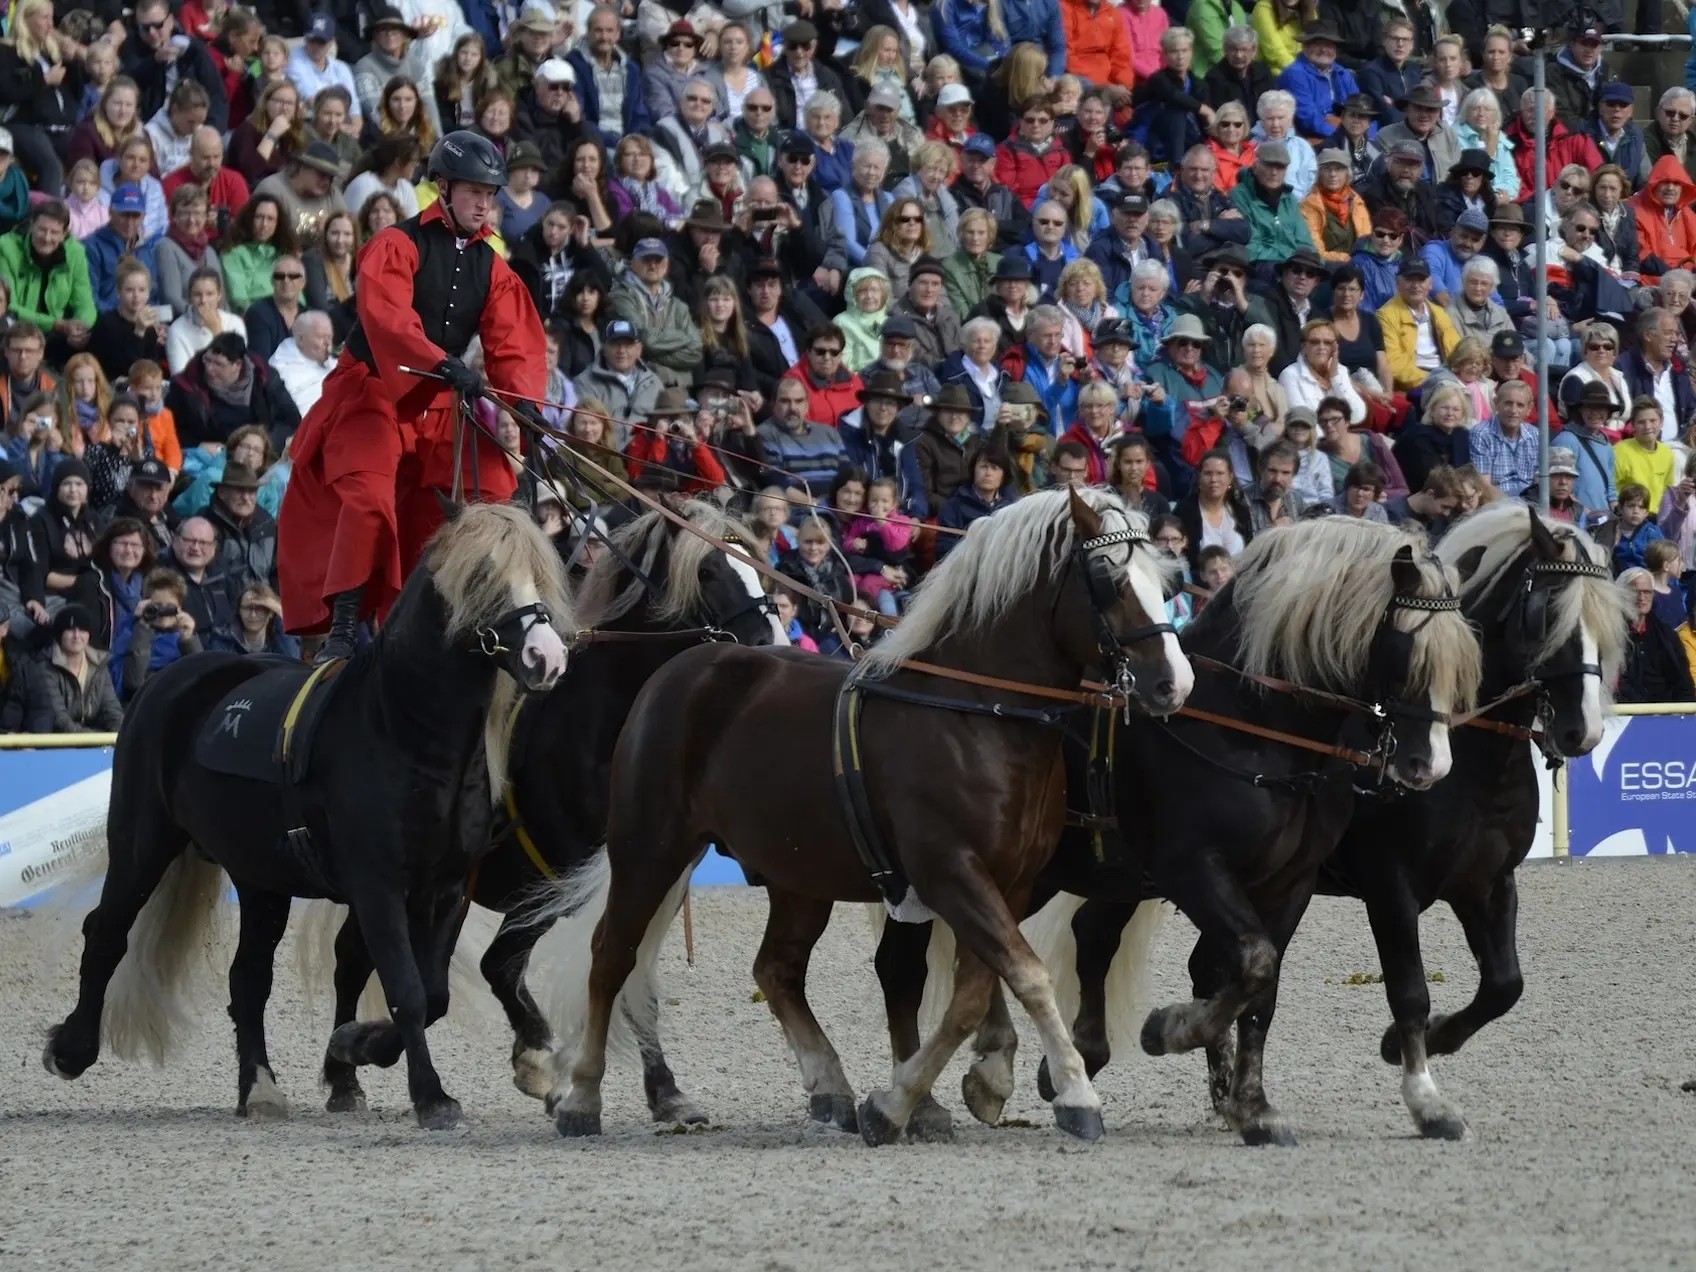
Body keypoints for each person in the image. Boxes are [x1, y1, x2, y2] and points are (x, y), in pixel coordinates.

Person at [278, 132, 546, 658]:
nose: (484, 203)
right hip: (372, 389)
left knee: (494, 490)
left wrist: (527, 410)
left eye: (490, 194)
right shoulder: (395, 244)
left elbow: (513, 343)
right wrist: (444, 363)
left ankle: (502, 618)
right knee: (370, 500)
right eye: (474, 192)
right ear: (443, 189)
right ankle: (343, 628)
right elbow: (388, 320)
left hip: (438, 401)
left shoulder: (493, 266)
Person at [0, 201, 95, 368]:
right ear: (31, 225)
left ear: (64, 234)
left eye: (54, 232)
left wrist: (80, 327)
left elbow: (85, 302)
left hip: (56, 333)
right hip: (15, 329)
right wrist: (56, 324)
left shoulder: (76, 252)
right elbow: (8, 306)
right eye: (42, 230)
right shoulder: (6, 247)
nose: (47, 238)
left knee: (102, 333)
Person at [37, 603, 122, 732]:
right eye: (70, 630)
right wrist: (93, 739)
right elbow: (59, 718)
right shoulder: (46, 667)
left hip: (93, 738)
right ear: (60, 634)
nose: (77, 636)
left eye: (82, 630)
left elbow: (111, 709)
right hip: (59, 743)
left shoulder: (99, 665)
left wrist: (122, 733)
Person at [1617, 566, 1696, 703]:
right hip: (1624, 717)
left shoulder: (1667, 635)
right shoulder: (1611, 635)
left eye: (1647, 592)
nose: (1641, 598)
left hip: (1666, 717)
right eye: (1635, 592)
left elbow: (1683, 683)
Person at [1231, 142, 1316, 269]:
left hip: (1293, 265)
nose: (1274, 172)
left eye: (1280, 167)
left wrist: (1314, 262)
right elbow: (1251, 246)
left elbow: (1305, 242)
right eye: (1268, 166)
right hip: (1260, 264)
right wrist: (1289, 259)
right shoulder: (1239, 195)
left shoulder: (1290, 199)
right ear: (1255, 167)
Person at [1553, 379, 1620, 515]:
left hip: (1603, 520)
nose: (1594, 413)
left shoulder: (1606, 445)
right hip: (1576, 520)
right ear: (1580, 410)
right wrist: (1584, 512)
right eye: (1589, 407)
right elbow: (1558, 486)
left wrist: (1617, 509)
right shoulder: (1566, 440)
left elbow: (1610, 488)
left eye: (1600, 408)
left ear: (1608, 413)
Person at [936, 439, 1017, 551]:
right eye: (983, 466)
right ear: (973, 470)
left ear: (1004, 476)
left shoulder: (1012, 509)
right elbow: (943, 549)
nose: (988, 473)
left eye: (995, 468)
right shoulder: (954, 506)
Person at [1614, 397, 1679, 515]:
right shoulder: (1620, 451)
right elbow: (1610, 491)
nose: (1647, 426)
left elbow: (1668, 494)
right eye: (1641, 422)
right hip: (1628, 519)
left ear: (1662, 422)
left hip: (1657, 520)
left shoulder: (1667, 454)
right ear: (1632, 424)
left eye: (1653, 420)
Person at [207, 581, 299, 658]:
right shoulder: (223, 638)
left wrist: (279, 611)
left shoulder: (280, 637)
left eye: (259, 609)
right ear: (239, 610)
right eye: (247, 608)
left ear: (271, 612)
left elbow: (292, 664)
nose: (253, 615)